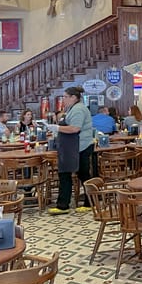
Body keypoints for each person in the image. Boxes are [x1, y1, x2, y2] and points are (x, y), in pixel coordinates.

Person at [50, 86, 93, 215]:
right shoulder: (72, 108)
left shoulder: (78, 109)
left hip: (80, 146)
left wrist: (56, 128)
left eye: (65, 97)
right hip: (73, 146)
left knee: (81, 175)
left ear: (74, 97)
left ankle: (84, 203)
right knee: (73, 174)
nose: (63, 99)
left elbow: (75, 128)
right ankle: (66, 204)